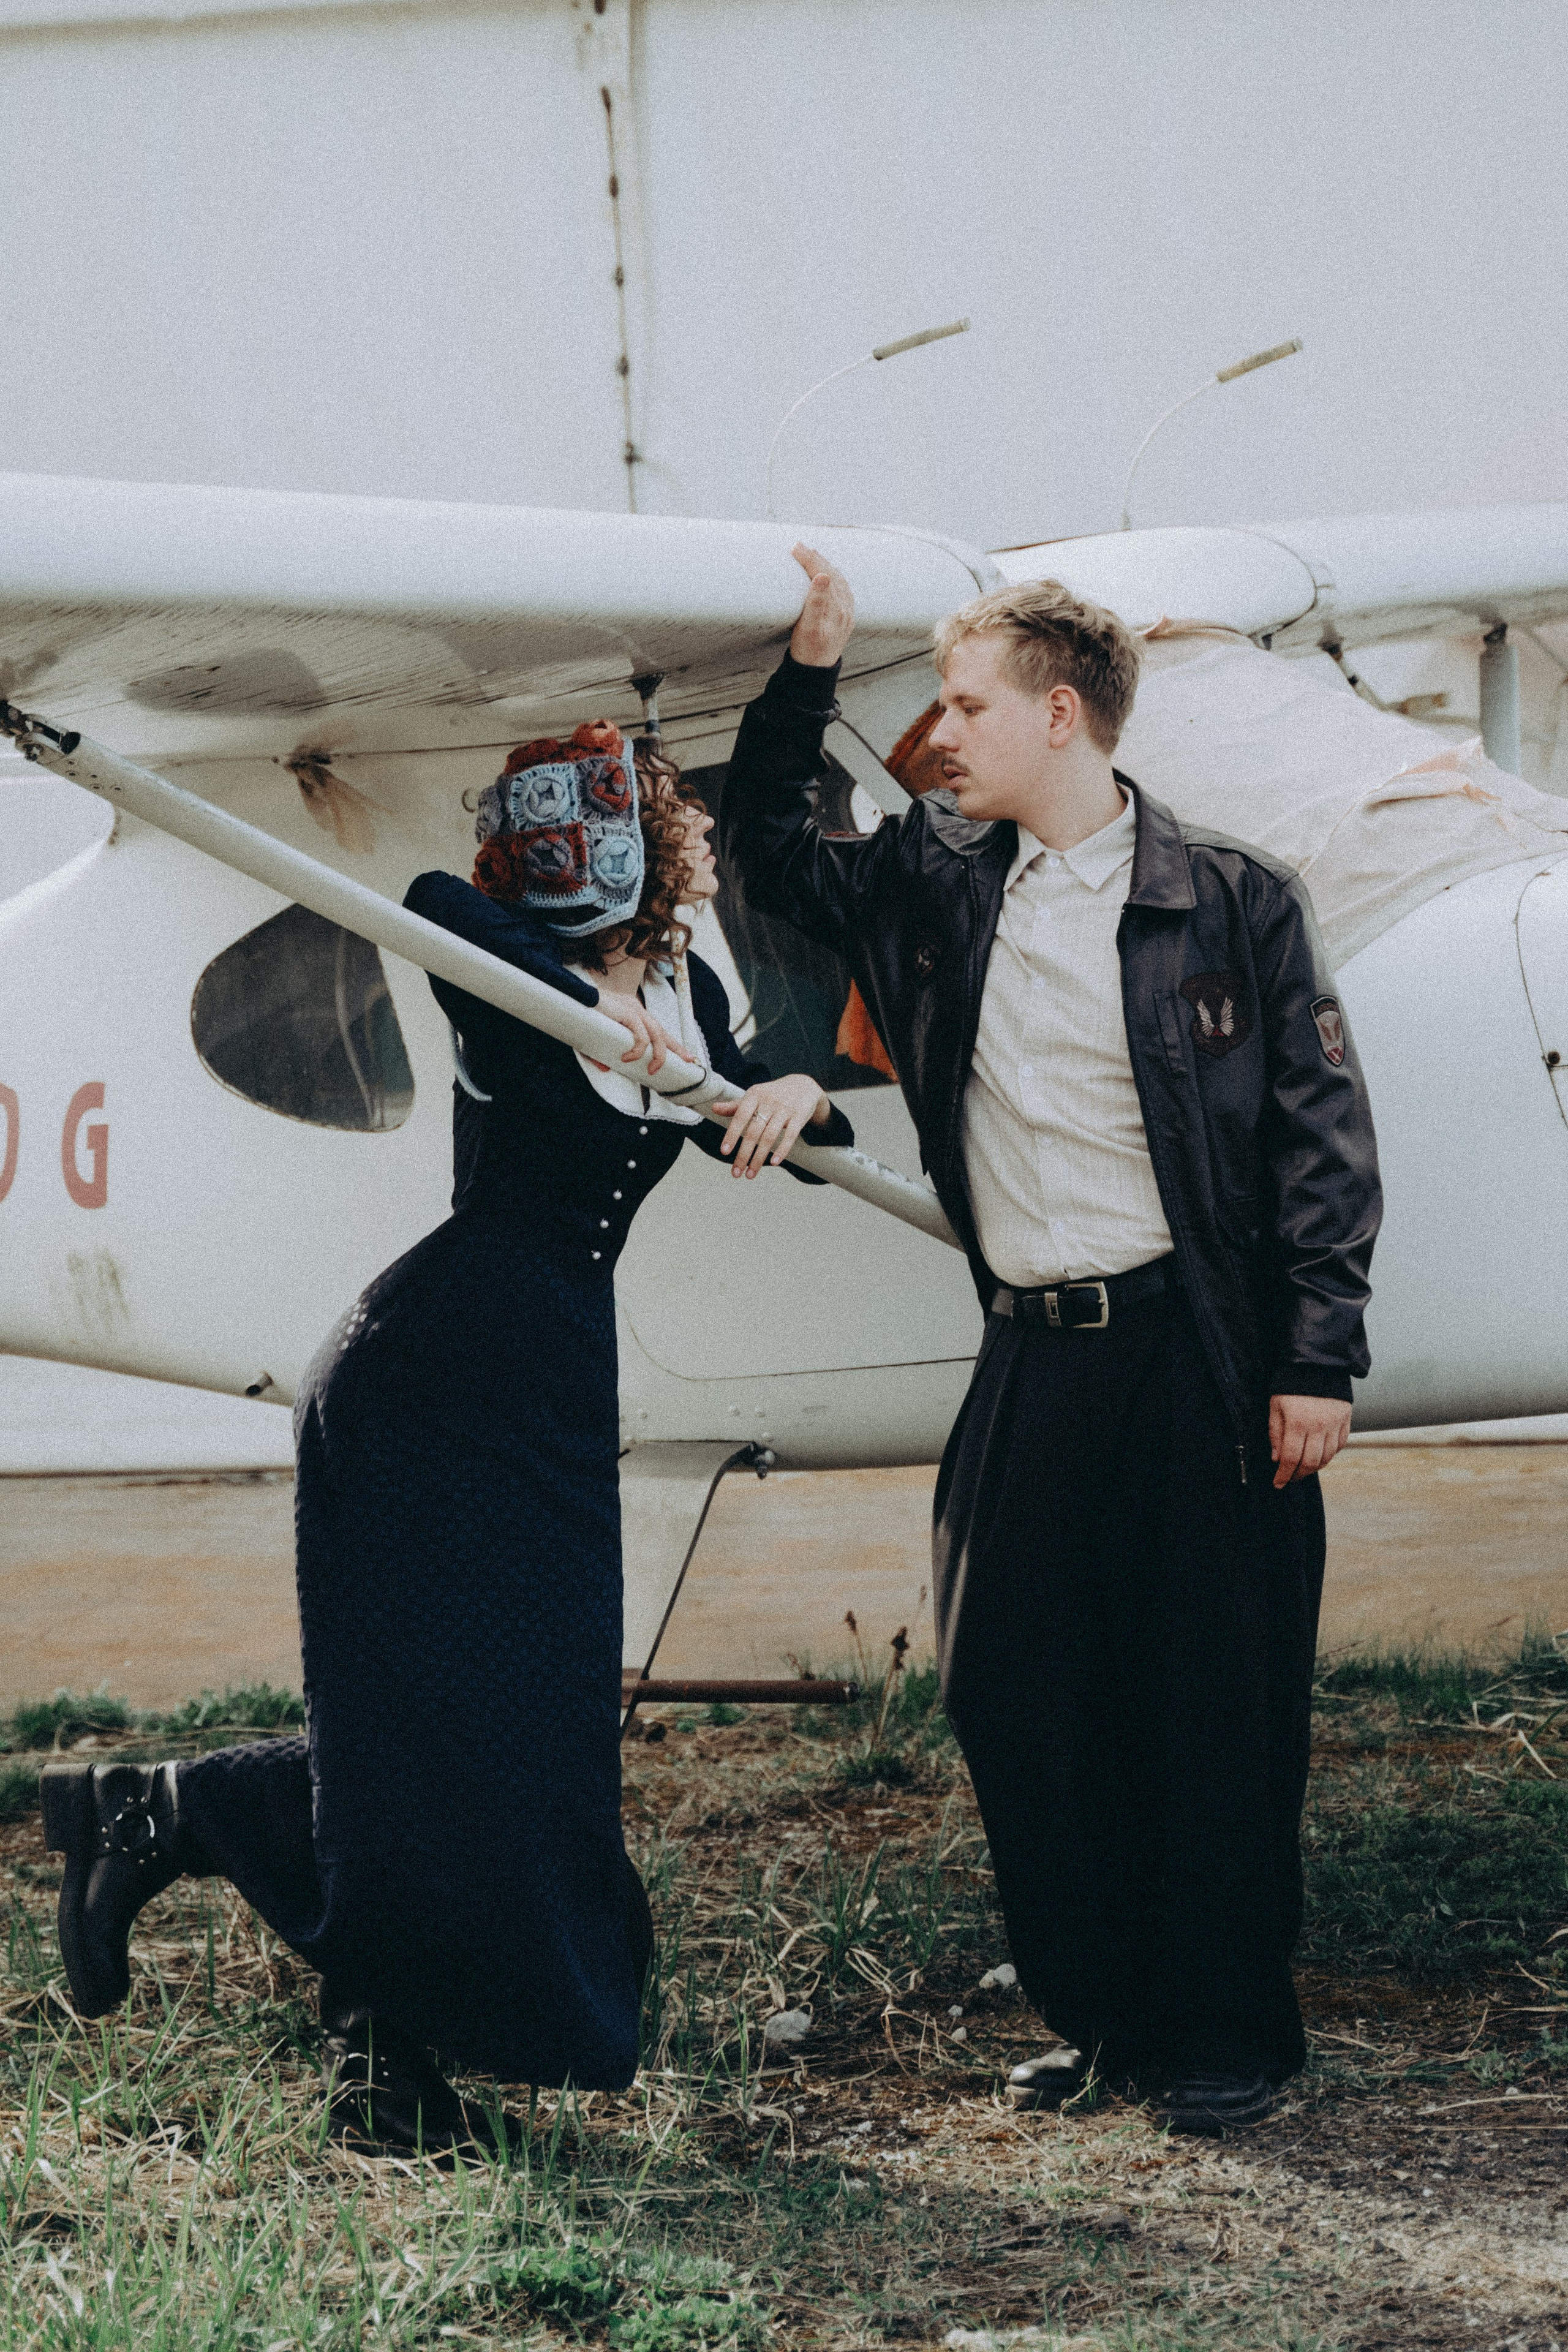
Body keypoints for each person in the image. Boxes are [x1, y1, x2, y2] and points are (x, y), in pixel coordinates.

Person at [42, 717, 852, 2150]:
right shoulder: (502, 980)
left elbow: (771, 1123)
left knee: (528, 1728)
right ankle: (370, 2065)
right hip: (423, 1379)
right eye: (671, 817)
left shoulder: (686, 983)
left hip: (548, 1382)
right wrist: (582, 998)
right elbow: (430, 900)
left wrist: (795, 1090)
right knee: (428, 1729)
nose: (697, 836)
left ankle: (165, 1813)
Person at [719, 552, 1382, 2135]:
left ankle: (1224, 2035)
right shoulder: (937, 880)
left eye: (965, 707)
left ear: (1061, 716)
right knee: (1015, 1694)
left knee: (1212, 1706)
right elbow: (770, 852)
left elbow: (1321, 1141)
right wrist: (807, 673)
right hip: (1032, 1355)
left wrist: (1317, 1359)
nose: (940, 737)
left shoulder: (1230, 901)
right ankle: (1110, 2022)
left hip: (1199, 1353)